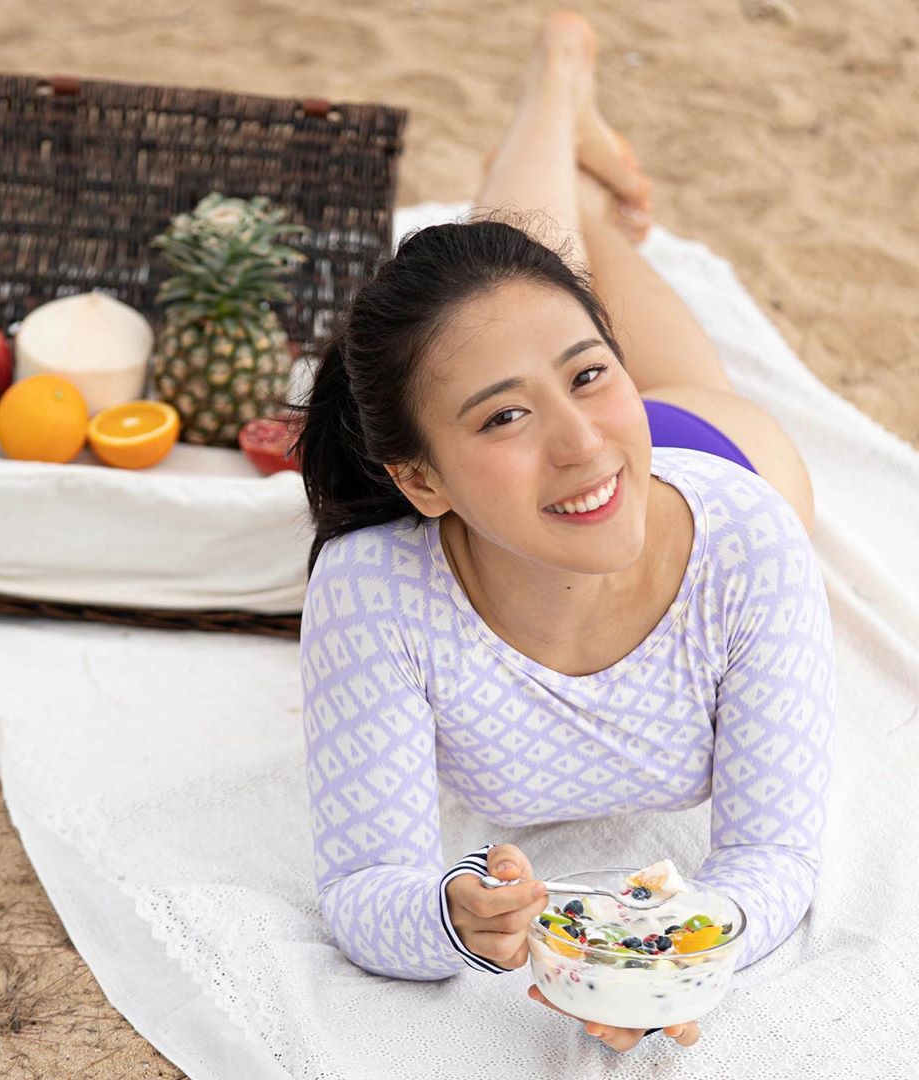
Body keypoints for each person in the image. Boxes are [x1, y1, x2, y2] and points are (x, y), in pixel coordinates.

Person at [291, 11, 836, 1055]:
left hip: (715, 454)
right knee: (507, 306)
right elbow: (366, 883)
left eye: (592, 373)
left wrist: (681, 957)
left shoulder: (750, 545)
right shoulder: (373, 591)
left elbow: (776, 856)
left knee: (535, 284)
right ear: (419, 479)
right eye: (502, 417)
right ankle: (569, 146)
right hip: (594, 492)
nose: (577, 439)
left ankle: (560, 80)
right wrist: (448, 918)